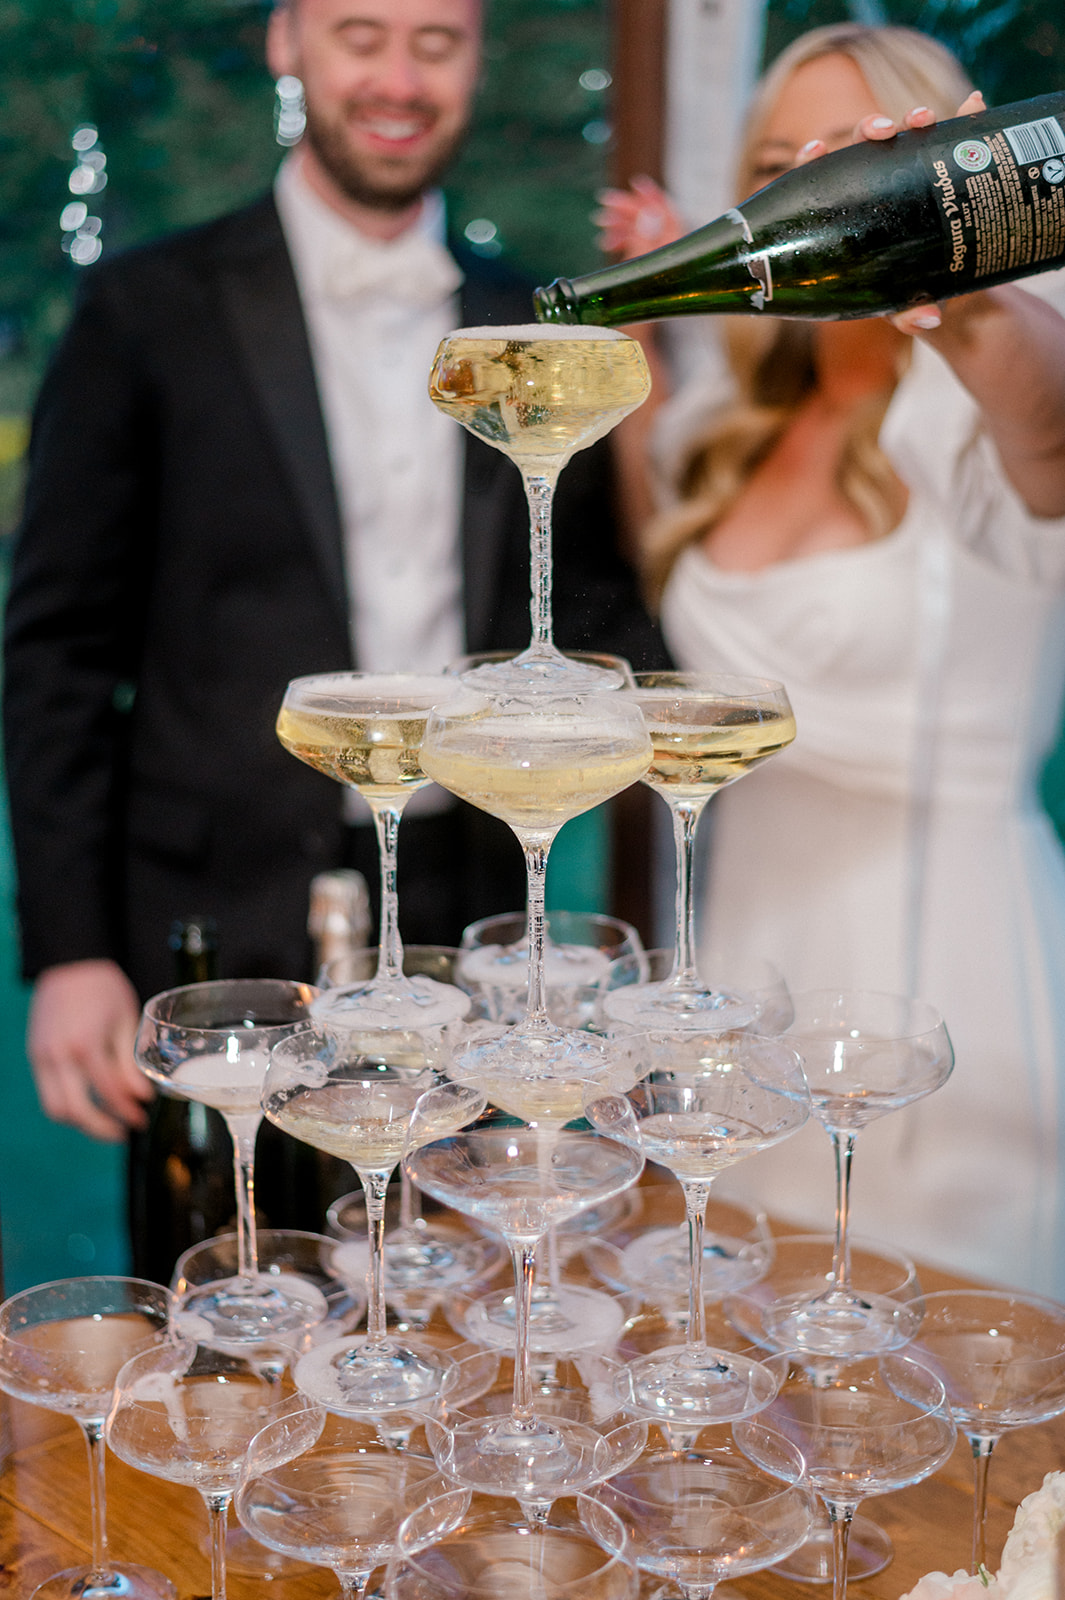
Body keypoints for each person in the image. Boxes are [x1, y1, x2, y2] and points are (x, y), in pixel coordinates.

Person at [3, 0, 666, 1149]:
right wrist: (70, 947)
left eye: (436, 43)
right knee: (245, 1282)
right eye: (361, 37)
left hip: (472, 919)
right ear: (286, 42)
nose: (399, 81)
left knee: (456, 1279)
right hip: (216, 920)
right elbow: (59, 647)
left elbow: (599, 607)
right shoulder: (145, 310)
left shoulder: (526, 323)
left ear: (475, 58)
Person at [599, 24, 1065, 1296]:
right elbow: (687, 590)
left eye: (845, 162)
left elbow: (1050, 435)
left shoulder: (986, 385)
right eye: (775, 166)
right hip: (744, 973)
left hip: (946, 994)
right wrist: (649, 349)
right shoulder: (742, 417)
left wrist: (969, 294)